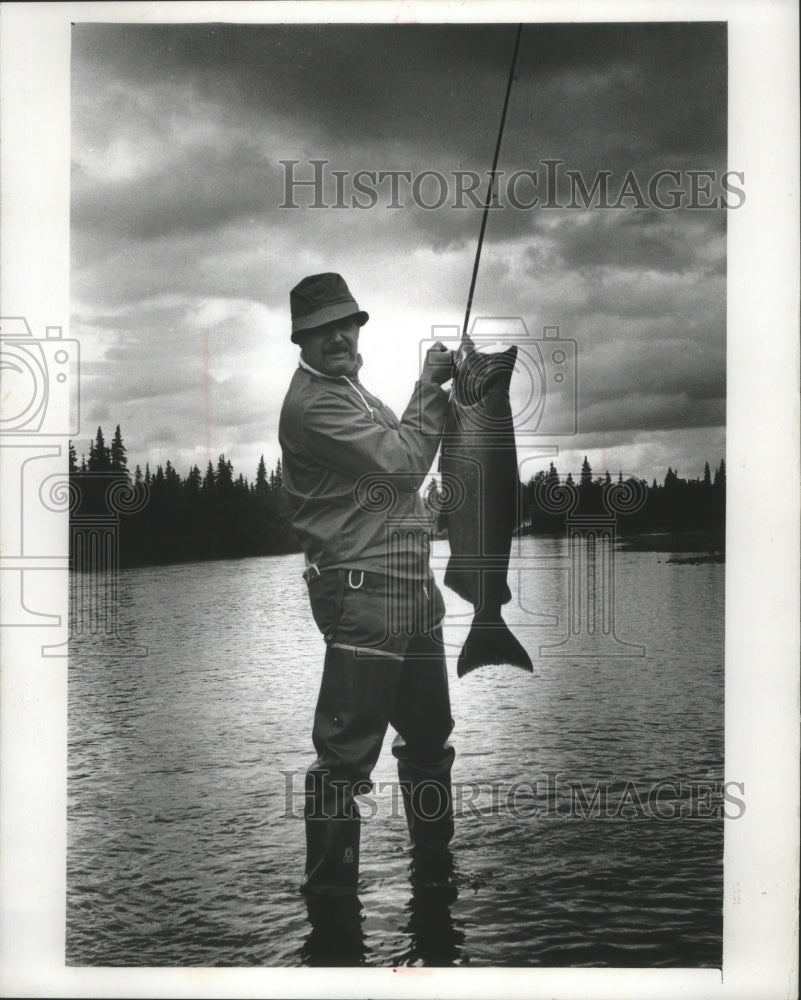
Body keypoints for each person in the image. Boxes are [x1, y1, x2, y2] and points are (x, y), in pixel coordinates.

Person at [279, 272, 456, 896]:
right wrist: (430, 388)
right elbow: (404, 464)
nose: (337, 337)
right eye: (320, 330)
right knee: (345, 761)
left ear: (358, 326)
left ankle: (436, 874)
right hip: (363, 590)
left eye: (345, 324)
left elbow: (399, 462)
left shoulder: (352, 391)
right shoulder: (317, 404)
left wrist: (434, 393)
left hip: (410, 590)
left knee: (430, 739)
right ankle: (329, 908)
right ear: (301, 340)